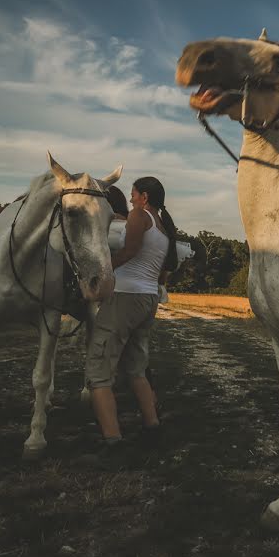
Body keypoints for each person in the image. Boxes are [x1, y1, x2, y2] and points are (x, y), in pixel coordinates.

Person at [83, 176, 179, 460]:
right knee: (136, 367)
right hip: (148, 297)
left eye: (134, 193)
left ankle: (112, 440)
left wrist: (100, 272)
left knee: (98, 369)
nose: (131, 198)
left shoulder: (139, 215)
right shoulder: (162, 226)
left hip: (126, 296)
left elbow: (130, 250)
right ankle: (152, 425)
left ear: (145, 196)